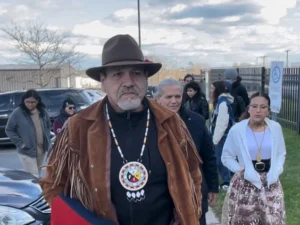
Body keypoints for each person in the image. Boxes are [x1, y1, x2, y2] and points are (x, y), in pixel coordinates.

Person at [40, 34, 202, 225]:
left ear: (146, 79)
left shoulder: (171, 122)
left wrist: (191, 212)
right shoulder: (79, 126)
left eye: (136, 73)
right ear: (103, 81)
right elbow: (53, 185)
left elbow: (193, 176)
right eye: (117, 74)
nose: (128, 82)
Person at [155, 78, 219, 225]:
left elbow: (208, 156)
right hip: (161, 197)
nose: (174, 101)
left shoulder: (196, 121)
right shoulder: (149, 123)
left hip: (193, 193)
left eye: (177, 97)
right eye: (168, 97)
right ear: (158, 99)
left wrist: (212, 187)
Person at [221, 92, 286, 225]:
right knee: (245, 220)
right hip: (246, 182)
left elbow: (280, 153)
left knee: (273, 220)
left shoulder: (275, 128)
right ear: (248, 108)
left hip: (270, 182)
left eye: (263, 107)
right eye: (254, 106)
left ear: (268, 110)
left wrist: (277, 169)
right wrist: (239, 169)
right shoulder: (237, 130)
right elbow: (226, 156)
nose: (258, 110)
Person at [5, 89, 51, 177]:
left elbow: (48, 125)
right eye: (27, 102)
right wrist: (20, 143)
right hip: (26, 150)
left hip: (41, 149)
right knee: (33, 176)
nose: (30, 104)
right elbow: (9, 129)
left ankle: (38, 190)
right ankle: (37, 191)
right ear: (24, 101)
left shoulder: (42, 111)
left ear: (37, 101)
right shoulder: (18, 113)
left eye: (33, 102)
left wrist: (47, 137)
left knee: (37, 174)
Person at [210, 81, 234, 191]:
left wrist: (215, 139)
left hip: (222, 137)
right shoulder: (220, 101)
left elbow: (222, 123)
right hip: (221, 136)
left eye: (212, 88)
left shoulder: (223, 103)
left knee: (221, 160)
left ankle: (227, 182)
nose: (211, 90)